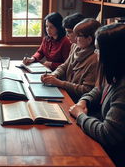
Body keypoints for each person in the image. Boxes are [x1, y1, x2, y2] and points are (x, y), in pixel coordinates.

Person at [69, 23, 125, 167]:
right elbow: (99, 89)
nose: (95, 53)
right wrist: (84, 101)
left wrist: (80, 115)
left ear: (112, 53)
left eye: (98, 49)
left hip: (113, 156)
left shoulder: (123, 87)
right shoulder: (115, 74)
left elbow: (107, 134)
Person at [41, 18, 101, 102]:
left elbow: (87, 90)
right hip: (67, 93)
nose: (75, 39)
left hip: (77, 101)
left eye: (79, 36)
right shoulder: (75, 46)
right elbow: (65, 65)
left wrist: (60, 83)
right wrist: (54, 75)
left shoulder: (95, 58)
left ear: (89, 39)